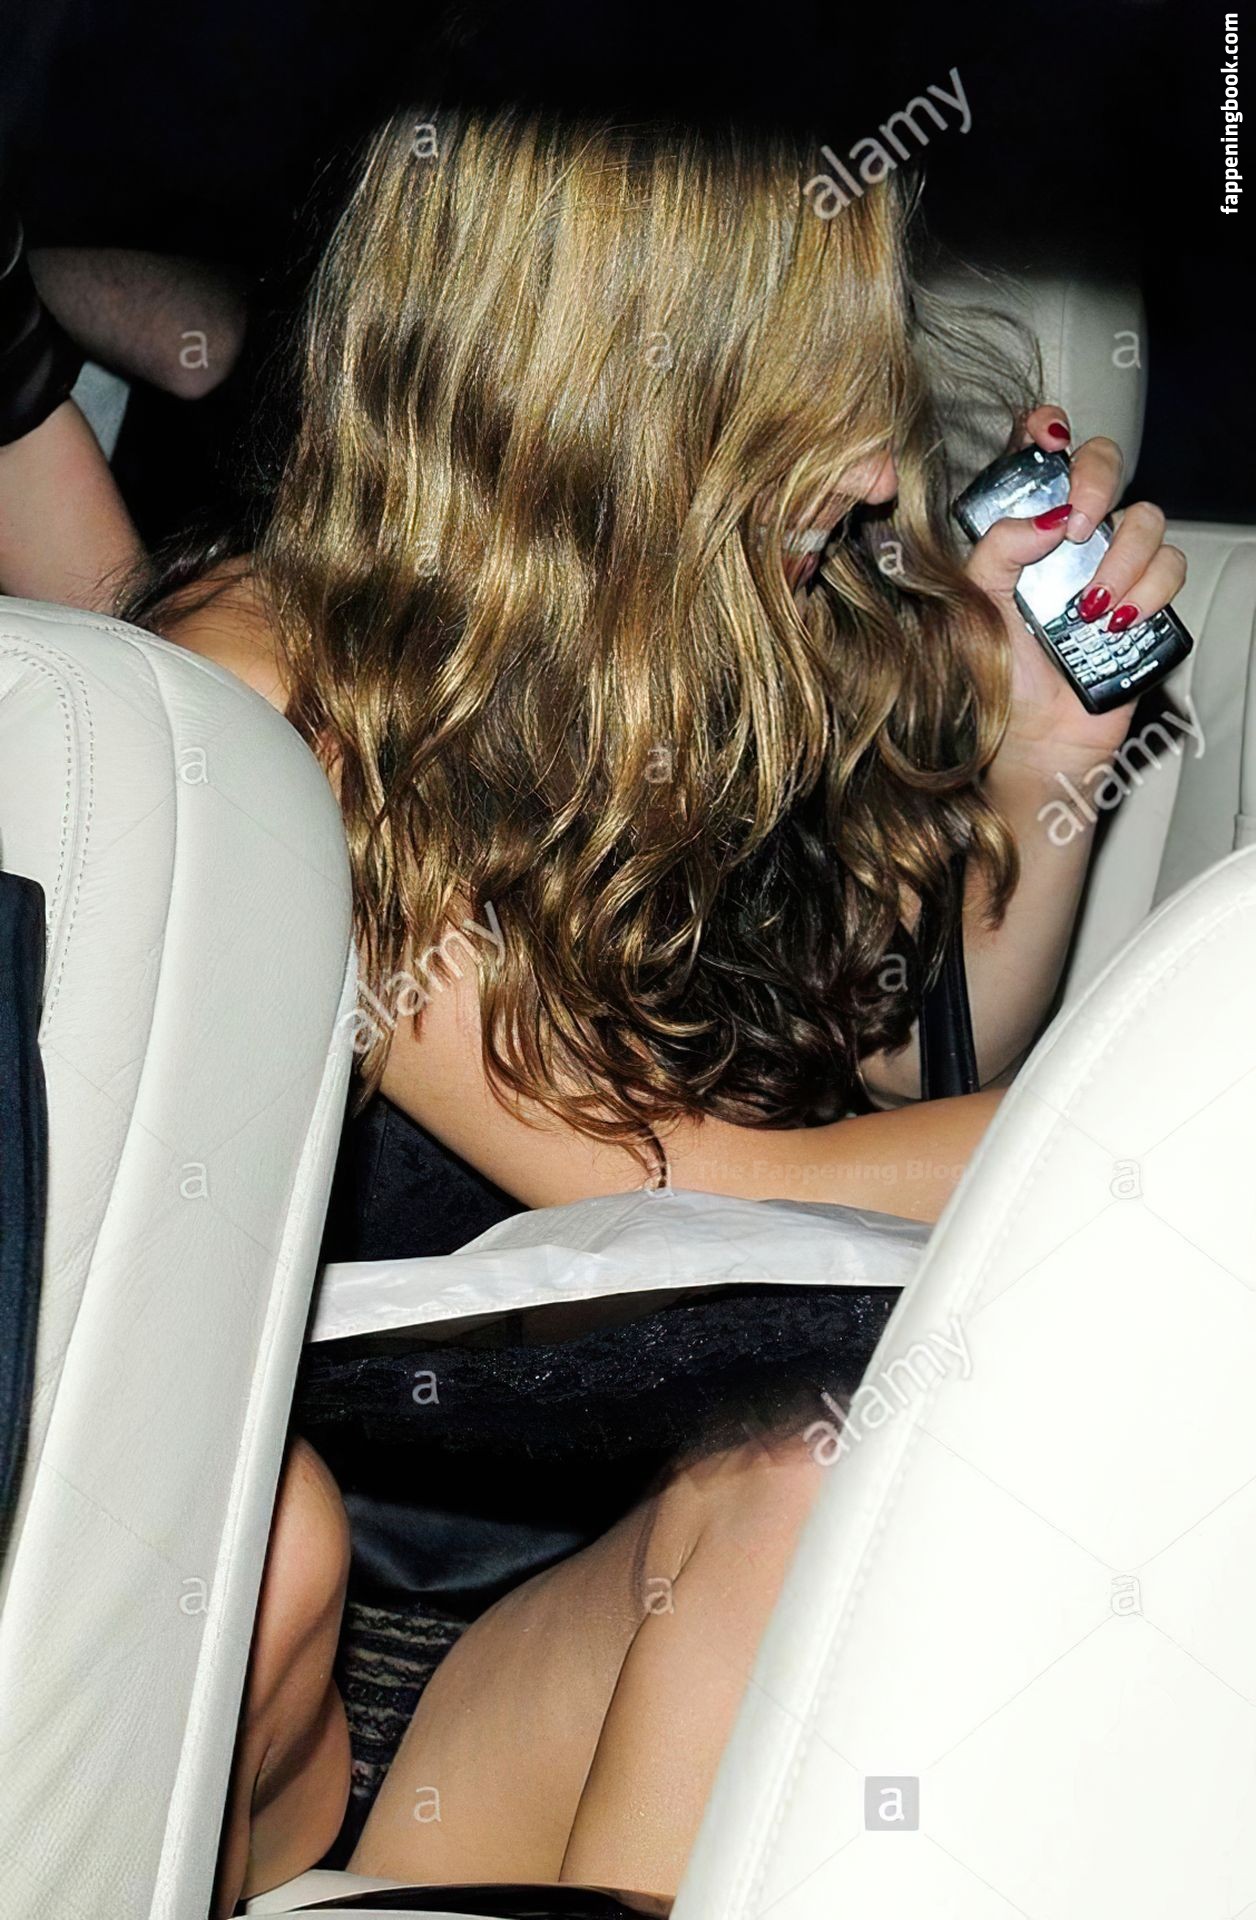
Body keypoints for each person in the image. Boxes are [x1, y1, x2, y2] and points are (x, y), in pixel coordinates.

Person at [0, 109, 1186, 1911]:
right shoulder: (280, 705)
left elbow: (895, 1084)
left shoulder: (728, 629)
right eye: (810, 386)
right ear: (609, 388)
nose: (881, 465)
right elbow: (702, 1186)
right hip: (310, 1659)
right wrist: (1175, 1109)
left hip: (605, 1596)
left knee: (818, 1481)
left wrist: (1036, 764)